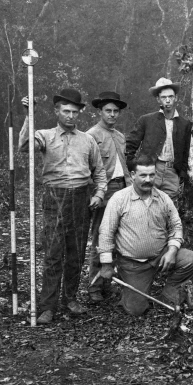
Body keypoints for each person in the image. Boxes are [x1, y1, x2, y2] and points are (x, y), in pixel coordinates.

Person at [18, 88, 107, 324]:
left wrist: (98, 193)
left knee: (76, 253)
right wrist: (29, 115)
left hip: (81, 198)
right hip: (54, 197)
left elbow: (99, 172)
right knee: (53, 253)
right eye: (65, 111)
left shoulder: (87, 140)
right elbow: (25, 147)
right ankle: (48, 306)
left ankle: (70, 298)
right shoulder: (45, 135)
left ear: (79, 113)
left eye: (74, 112)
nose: (70, 116)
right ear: (57, 111)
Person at [97, 153, 193, 316]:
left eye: (151, 175)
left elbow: (176, 226)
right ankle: (131, 290)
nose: (148, 180)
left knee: (192, 260)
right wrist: (106, 264)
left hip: (161, 257)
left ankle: (169, 294)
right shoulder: (119, 199)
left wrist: (172, 252)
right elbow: (105, 233)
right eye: (143, 175)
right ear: (133, 176)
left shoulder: (163, 198)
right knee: (136, 310)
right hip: (133, 264)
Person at [86, 91, 131, 303]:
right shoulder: (92, 135)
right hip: (105, 191)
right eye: (108, 111)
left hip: (124, 189)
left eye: (115, 111)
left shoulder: (120, 136)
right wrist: (97, 192)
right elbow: (88, 169)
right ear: (100, 111)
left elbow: (124, 167)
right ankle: (94, 287)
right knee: (101, 236)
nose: (112, 115)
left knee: (121, 238)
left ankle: (110, 282)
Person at [125, 77, 193, 203]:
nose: (168, 101)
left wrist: (181, 174)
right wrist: (135, 166)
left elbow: (185, 152)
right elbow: (130, 145)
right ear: (158, 99)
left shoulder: (184, 124)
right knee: (146, 204)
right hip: (151, 171)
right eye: (164, 97)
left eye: (171, 97)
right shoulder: (146, 120)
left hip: (172, 172)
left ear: (176, 98)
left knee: (169, 208)